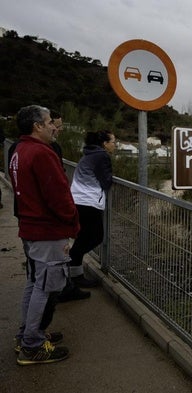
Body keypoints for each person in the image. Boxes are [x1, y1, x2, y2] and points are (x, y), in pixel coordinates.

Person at [9, 105, 80, 365]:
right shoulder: (41, 153)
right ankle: (33, 346)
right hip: (47, 231)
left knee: (34, 282)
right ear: (37, 126)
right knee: (46, 287)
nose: (54, 126)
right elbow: (59, 197)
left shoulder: (19, 150)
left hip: (30, 228)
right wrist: (72, 223)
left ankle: (28, 334)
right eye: (50, 122)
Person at [58, 130, 115, 301]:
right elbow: (106, 181)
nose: (115, 145)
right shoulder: (102, 156)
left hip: (77, 200)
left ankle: (76, 275)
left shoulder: (88, 154)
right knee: (96, 237)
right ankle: (71, 265)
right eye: (113, 141)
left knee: (83, 237)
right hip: (88, 202)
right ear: (104, 143)